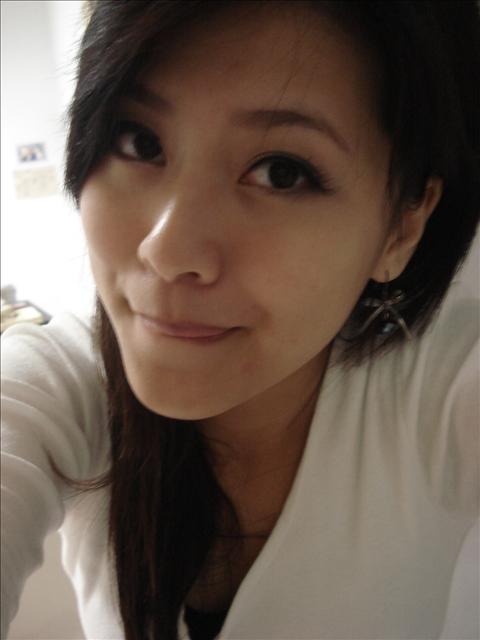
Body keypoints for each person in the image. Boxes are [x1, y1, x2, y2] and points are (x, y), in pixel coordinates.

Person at [1, 1, 479, 639]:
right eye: (138, 141)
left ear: (403, 225)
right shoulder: (60, 380)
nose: (167, 251)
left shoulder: (443, 389)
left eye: (282, 173)